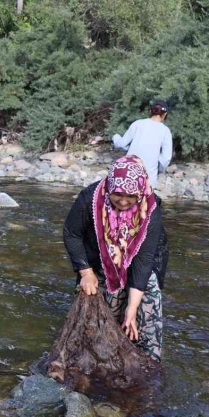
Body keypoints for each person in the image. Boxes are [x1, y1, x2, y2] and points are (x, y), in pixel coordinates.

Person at [63, 155, 169, 362]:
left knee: (145, 299)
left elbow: (144, 260)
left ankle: (148, 360)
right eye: (117, 194)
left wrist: (132, 308)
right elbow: (71, 234)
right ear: (109, 187)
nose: (122, 201)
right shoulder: (89, 199)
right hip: (98, 257)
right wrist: (85, 271)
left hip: (144, 256)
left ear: (139, 191)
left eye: (130, 196)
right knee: (104, 310)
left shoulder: (151, 208)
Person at [112, 100, 173, 189]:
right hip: (148, 177)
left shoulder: (138, 124)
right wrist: (159, 170)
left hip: (129, 173)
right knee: (144, 202)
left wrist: (115, 137)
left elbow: (121, 144)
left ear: (150, 111)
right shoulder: (165, 131)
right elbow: (166, 159)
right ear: (165, 114)